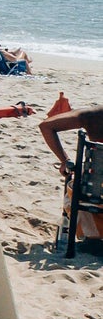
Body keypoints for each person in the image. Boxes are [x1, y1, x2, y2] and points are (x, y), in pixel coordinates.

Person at [39, 97, 103, 240]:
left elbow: (46, 126)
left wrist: (65, 161)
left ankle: (90, 234)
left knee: (78, 187)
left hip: (93, 196)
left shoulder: (94, 115)